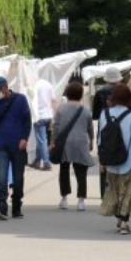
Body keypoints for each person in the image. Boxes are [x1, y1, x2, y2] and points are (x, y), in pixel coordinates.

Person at [98, 84, 131, 235]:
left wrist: (101, 160)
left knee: (114, 190)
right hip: (129, 160)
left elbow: (100, 139)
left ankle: (119, 217)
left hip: (110, 160)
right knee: (128, 191)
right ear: (128, 98)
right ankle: (124, 222)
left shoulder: (103, 114)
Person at [0, 76, 31, 220]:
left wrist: (25, 138)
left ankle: (17, 205)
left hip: (18, 145)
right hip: (1, 145)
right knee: (1, 177)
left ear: (5, 88)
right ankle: (2, 206)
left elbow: (27, 120)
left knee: (18, 179)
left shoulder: (21, 99)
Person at [52, 82, 93, 211]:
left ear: (67, 94)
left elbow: (56, 127)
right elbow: (90, 128)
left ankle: (64, 199)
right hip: (81, 142)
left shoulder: (61, 109)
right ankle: (81, 200)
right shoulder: (85, 110)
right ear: (81, 95)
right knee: (81, 171)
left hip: (65, 143)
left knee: (64, 169)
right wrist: (91, 141)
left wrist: (53, 141)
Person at [92, 66, 123, 197]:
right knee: (122, 156)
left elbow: (94, 115)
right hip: (122, 125)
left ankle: (104, 193)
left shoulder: (100, 93)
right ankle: (120, 191)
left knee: (104, 157)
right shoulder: (124, 91)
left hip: (104, 126)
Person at [33, 78, 56, 170]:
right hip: (49, 115)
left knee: (42, 140)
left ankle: (46, 162)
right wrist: (55, 115)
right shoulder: (49, 84)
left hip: (39, 115)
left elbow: (31, 101)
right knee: (42, 139)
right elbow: (53, 100)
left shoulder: (35, 85)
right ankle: (37, 160)